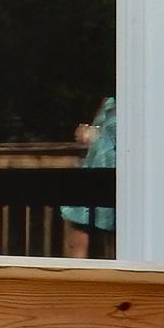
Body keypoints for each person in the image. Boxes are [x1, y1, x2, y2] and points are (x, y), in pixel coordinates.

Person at [60, 96, 116, 259]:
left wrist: (95, 136)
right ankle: (73, 281)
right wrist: (88, 133)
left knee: (109, 247)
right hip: (92, 171)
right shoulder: (109, 102)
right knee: (77, 236)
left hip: (115, 180)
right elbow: (99, 133)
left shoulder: (142, 101)